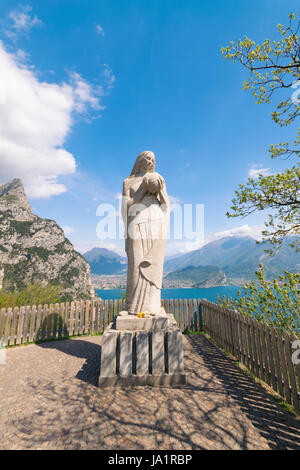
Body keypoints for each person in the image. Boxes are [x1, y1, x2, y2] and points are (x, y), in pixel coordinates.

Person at [121, 151, 169, 316]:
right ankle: (133, 306)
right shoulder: (128, 182)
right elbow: (125, 206)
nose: (151, 161)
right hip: (137, 220)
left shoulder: (158, 177)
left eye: (153, 159)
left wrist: (159, 188)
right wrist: (142, 190)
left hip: (155, 219)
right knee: (136, 261)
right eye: (148, 158)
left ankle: (152, 305)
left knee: (153, 261)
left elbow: (166, 204)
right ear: (140, 161)